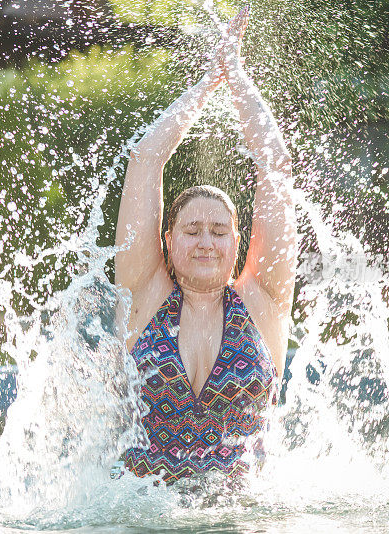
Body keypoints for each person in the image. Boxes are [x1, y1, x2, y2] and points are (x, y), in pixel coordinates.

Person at [114, 6, 297, 483]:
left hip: (243, 516)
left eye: (218, 231)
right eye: (192, 231)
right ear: (167, 241)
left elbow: (274, 165)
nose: (206, 242)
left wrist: (236, 77)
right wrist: (206, 84)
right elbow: (146, 158)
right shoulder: (144, 296)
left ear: (238, 242)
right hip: (143, 513)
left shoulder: (262, 301)